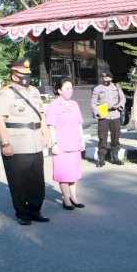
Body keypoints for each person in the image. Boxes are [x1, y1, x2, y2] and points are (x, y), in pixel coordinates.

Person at [0, 58, 50, 225]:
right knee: (19, 182)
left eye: (28, 74)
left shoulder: (34, 91)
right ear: (14, 75)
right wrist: (5, 144)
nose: (26, 77)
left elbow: (42, 114)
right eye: (22, 74)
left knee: (37, 181)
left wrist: (45, 136)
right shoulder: (6, 93)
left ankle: (35, 210)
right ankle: (22, 213)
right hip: (17, 144)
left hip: (35, 143)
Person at [46, 77, 85, 210]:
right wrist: (54, 144)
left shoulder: (74, 104)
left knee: (73, 172)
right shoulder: (53, 106)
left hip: (74, 142)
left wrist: (82, 139)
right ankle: (66, 198)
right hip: (61, 144)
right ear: (59, 90)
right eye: (66, 88)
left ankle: (74, 197)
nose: (70, 91)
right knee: (63, 172)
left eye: (71, 88)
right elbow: (50, 126)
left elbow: (79, 124)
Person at [91, 71, 126, 167]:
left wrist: (119, 105)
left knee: (115, 136)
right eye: (103, 78)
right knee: (102, 137)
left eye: (107, 78)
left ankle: (115, 157)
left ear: (111, 78)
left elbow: (123, 98)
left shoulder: (116, 86)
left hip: (115, 113)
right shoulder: (97, 88)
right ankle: (101, 158)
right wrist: (97, 113)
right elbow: (93, 102)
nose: (105, 80)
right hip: (103, 111)